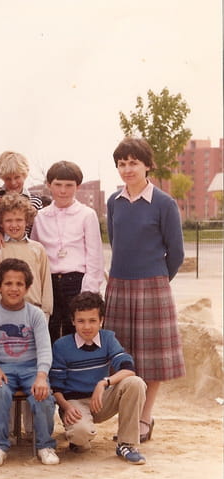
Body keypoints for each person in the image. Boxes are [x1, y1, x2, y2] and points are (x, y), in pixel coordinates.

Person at [104, 137, 185, 443]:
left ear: (147, 165)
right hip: (119, 284)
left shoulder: (164, 203)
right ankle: (127, 417)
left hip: (153, 286)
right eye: (122, 163)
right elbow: (116, 243)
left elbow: (176, 253)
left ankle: (144, 418)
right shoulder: (114, 202)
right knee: (122, 355)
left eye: (133, 163)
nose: (127, 169)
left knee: (151, 360)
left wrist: (157, 281)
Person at [50, 292, 147, 464]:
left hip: (101, 400)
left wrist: (103, 383)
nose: (87, 326)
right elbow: (56, 388)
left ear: (101, 320)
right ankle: (78, 439)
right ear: (73, 321)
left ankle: (126, 444)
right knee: (81, 436)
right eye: (81, 321)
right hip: (74, 403)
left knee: (135, 383)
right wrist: (66, 407)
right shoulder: (61, 346)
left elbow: (128, 369)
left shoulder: (108, 338)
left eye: (92, 320)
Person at [0, 258, 58, 467]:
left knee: (43, 395)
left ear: (27, 287)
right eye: (8, 283)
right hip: (2, 368)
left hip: (31, 368)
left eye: (19, 284)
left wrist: (41, 376)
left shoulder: (35, 314)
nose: (14, 289)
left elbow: (44, 349)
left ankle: (45, 445)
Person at [31, 160, 104, 342]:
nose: (63, 191)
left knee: (76, 332)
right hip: (49, 283)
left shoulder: (87, 215)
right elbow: (35, 254)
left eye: (69, 185)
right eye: (58, 185)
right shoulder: (40, 217)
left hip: (77, 281)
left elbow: (95, 257)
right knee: (50, 330)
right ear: (49, 185)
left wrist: (89, 292)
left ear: (78, 186)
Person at [0, 193, 53, 321]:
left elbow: (46, 284)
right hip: (6, 315)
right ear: (1, 223)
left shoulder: (38, 249)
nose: (14, 225)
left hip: (35, 314)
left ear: (27, 221)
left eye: (19, 220)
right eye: (8, 220)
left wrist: (46, 313)